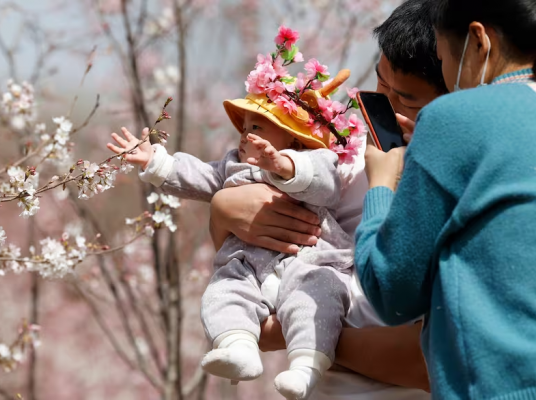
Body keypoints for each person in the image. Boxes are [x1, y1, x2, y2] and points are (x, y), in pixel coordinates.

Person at [209, 0, 447, 398]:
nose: (382, 105)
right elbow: (263, 258)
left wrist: (302, 329)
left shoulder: (457, 181)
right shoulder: (344, 155)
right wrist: (223, 213)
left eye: (405, 99)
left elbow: (426, 360)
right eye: (379, 82)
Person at [108, 61, 365, 398]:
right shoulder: (233, 165)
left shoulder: (314, 162)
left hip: (308, 264)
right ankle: (238, 347)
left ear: (294, 138)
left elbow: (322, 183)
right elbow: (197, 175)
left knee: (318, 300)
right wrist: (155, 162)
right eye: (244, 126)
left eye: (257, 126)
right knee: (223, 293)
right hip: (247, 266)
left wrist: (282, 165)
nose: (246, 134)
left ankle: (305, 366)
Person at [355, 0, 536, 398]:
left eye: (442, 55)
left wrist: (381, 185)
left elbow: (391, 291)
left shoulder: (456, 116)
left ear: (477, 40)